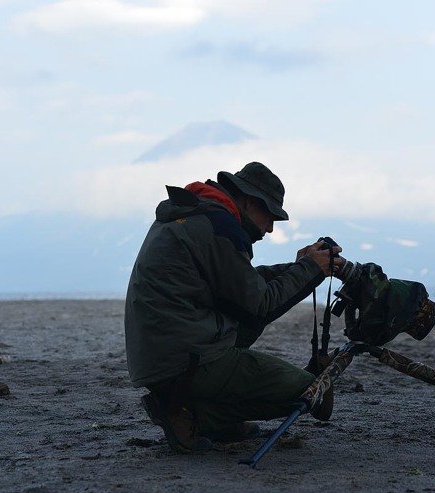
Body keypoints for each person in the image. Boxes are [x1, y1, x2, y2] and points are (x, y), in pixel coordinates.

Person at [124, 161, 345, 453]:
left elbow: (242, 285)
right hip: (184, 359)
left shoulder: (198, 215)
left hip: (162, 354)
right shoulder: (219, 226)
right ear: (251, 202)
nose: (269, 229)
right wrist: (309, 271)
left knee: (246, 322)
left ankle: (191, 410)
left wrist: (299, 267)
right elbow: (259, 305)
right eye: (270, 218)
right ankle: (200, 419)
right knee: (312, 392)